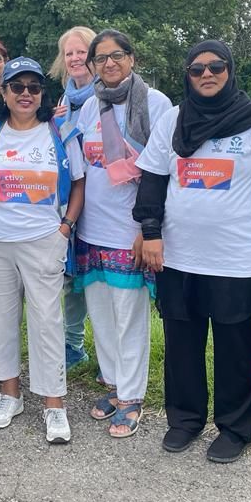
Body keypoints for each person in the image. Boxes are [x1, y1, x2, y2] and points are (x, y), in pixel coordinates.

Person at [133, 39, 251, 463]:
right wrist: (150, 231)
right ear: (187, 76)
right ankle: (184, 420)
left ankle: (235, 428)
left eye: (216, 66)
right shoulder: (173, 120)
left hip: (235, 260)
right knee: (181, 344)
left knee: (235, 347)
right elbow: (152, 179)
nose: (206, 74)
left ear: (230, 70)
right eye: (197, 69)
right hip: (179, 257)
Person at [0, 57, 85, 444]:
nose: (25, 94)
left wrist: (65, 228)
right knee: (0, 320)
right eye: (16, 86)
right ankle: (9, 395)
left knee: (47, 321)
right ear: (2, 91)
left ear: (42, 93)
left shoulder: (61, 132)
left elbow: (80, 184)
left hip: (43, 239)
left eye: (33, 87)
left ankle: (54, 404)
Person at [73, 29, 173, 437]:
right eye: (101, 58)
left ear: (132, 59)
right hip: (91, 228)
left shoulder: (156, 104)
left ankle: (132, 398)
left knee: (130, 318)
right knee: (100, 314)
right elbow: (80, 166)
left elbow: (164, 171)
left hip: (130, 228)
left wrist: (148, 228)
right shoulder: (88, 107)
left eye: (117, 56)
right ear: (93, 65)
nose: (109, 63)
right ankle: (114, 385)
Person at [49, 26, 98, 371]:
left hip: (106, 200)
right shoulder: (64, 101)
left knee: (102, 276)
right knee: (72, 274)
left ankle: (108, 351)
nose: (76, 58)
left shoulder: (109, 95)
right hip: (73, 199)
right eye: (70, 53)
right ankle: (73, 344)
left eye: (82, 51)